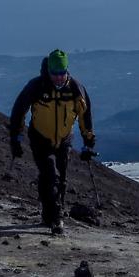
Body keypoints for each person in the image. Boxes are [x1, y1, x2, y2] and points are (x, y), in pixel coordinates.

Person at [8, 49, 96, 233]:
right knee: (51, 175)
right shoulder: (37, 87)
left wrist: (88, 141)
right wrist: (15, 137)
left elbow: (84, 115)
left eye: (62, 73)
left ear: (67, 71)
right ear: (48, 71)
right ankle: (57, 218)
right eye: (54, 74)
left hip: (64, 140)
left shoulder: (75, 89)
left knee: (61, 179)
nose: (58, 77)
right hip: (40, 138)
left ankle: (49, 214)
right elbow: (19, 110)